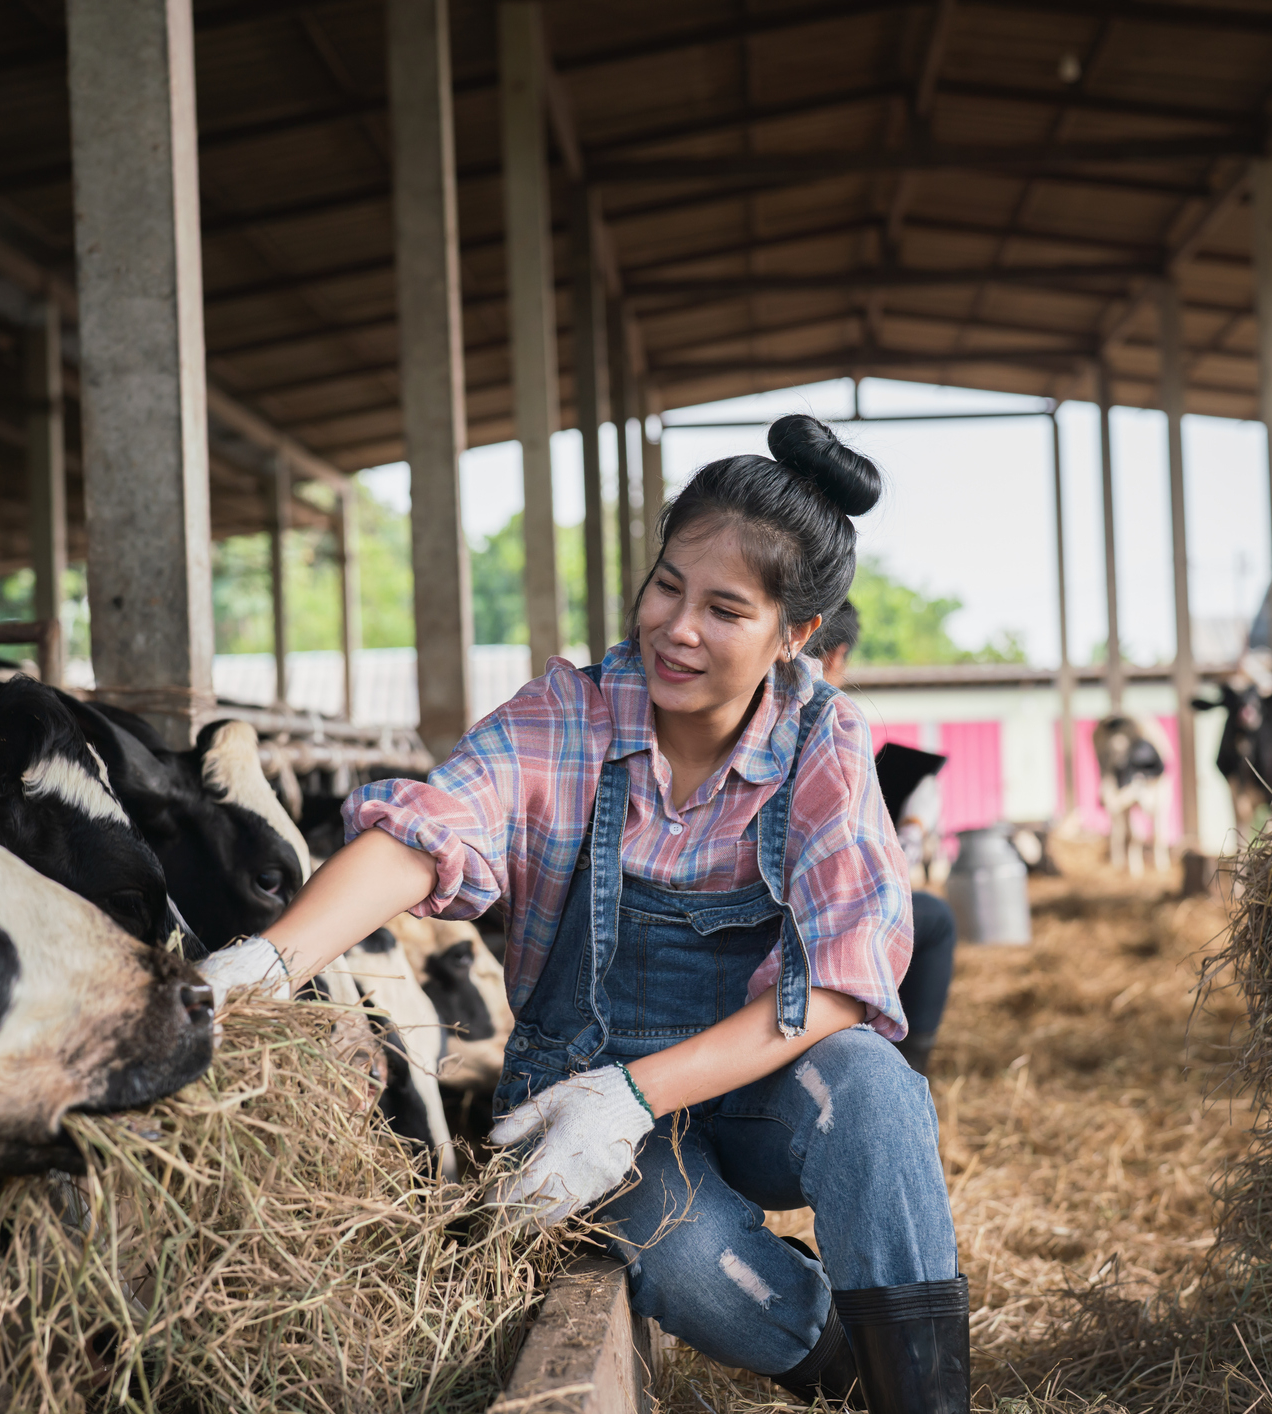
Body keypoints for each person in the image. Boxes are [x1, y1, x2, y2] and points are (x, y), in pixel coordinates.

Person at [237, 415, 966, 1412]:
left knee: (875, 1091)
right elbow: (426, 831)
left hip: (754, 1086)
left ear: (793, 635)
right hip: (576, 1100)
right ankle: (841, 1356)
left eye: (724, 608)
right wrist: (270, 960)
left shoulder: (818, 739)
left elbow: (844, 973)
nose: (677, 627)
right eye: (666, 584)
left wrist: (641, 1091)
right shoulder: (568, 715)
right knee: (695, 1269)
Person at [808, 602, 959, 1077]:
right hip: (806, 920)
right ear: (836, 654)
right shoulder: (831, 719)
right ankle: (909, 1070)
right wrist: (910, 829)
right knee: (933, 918)